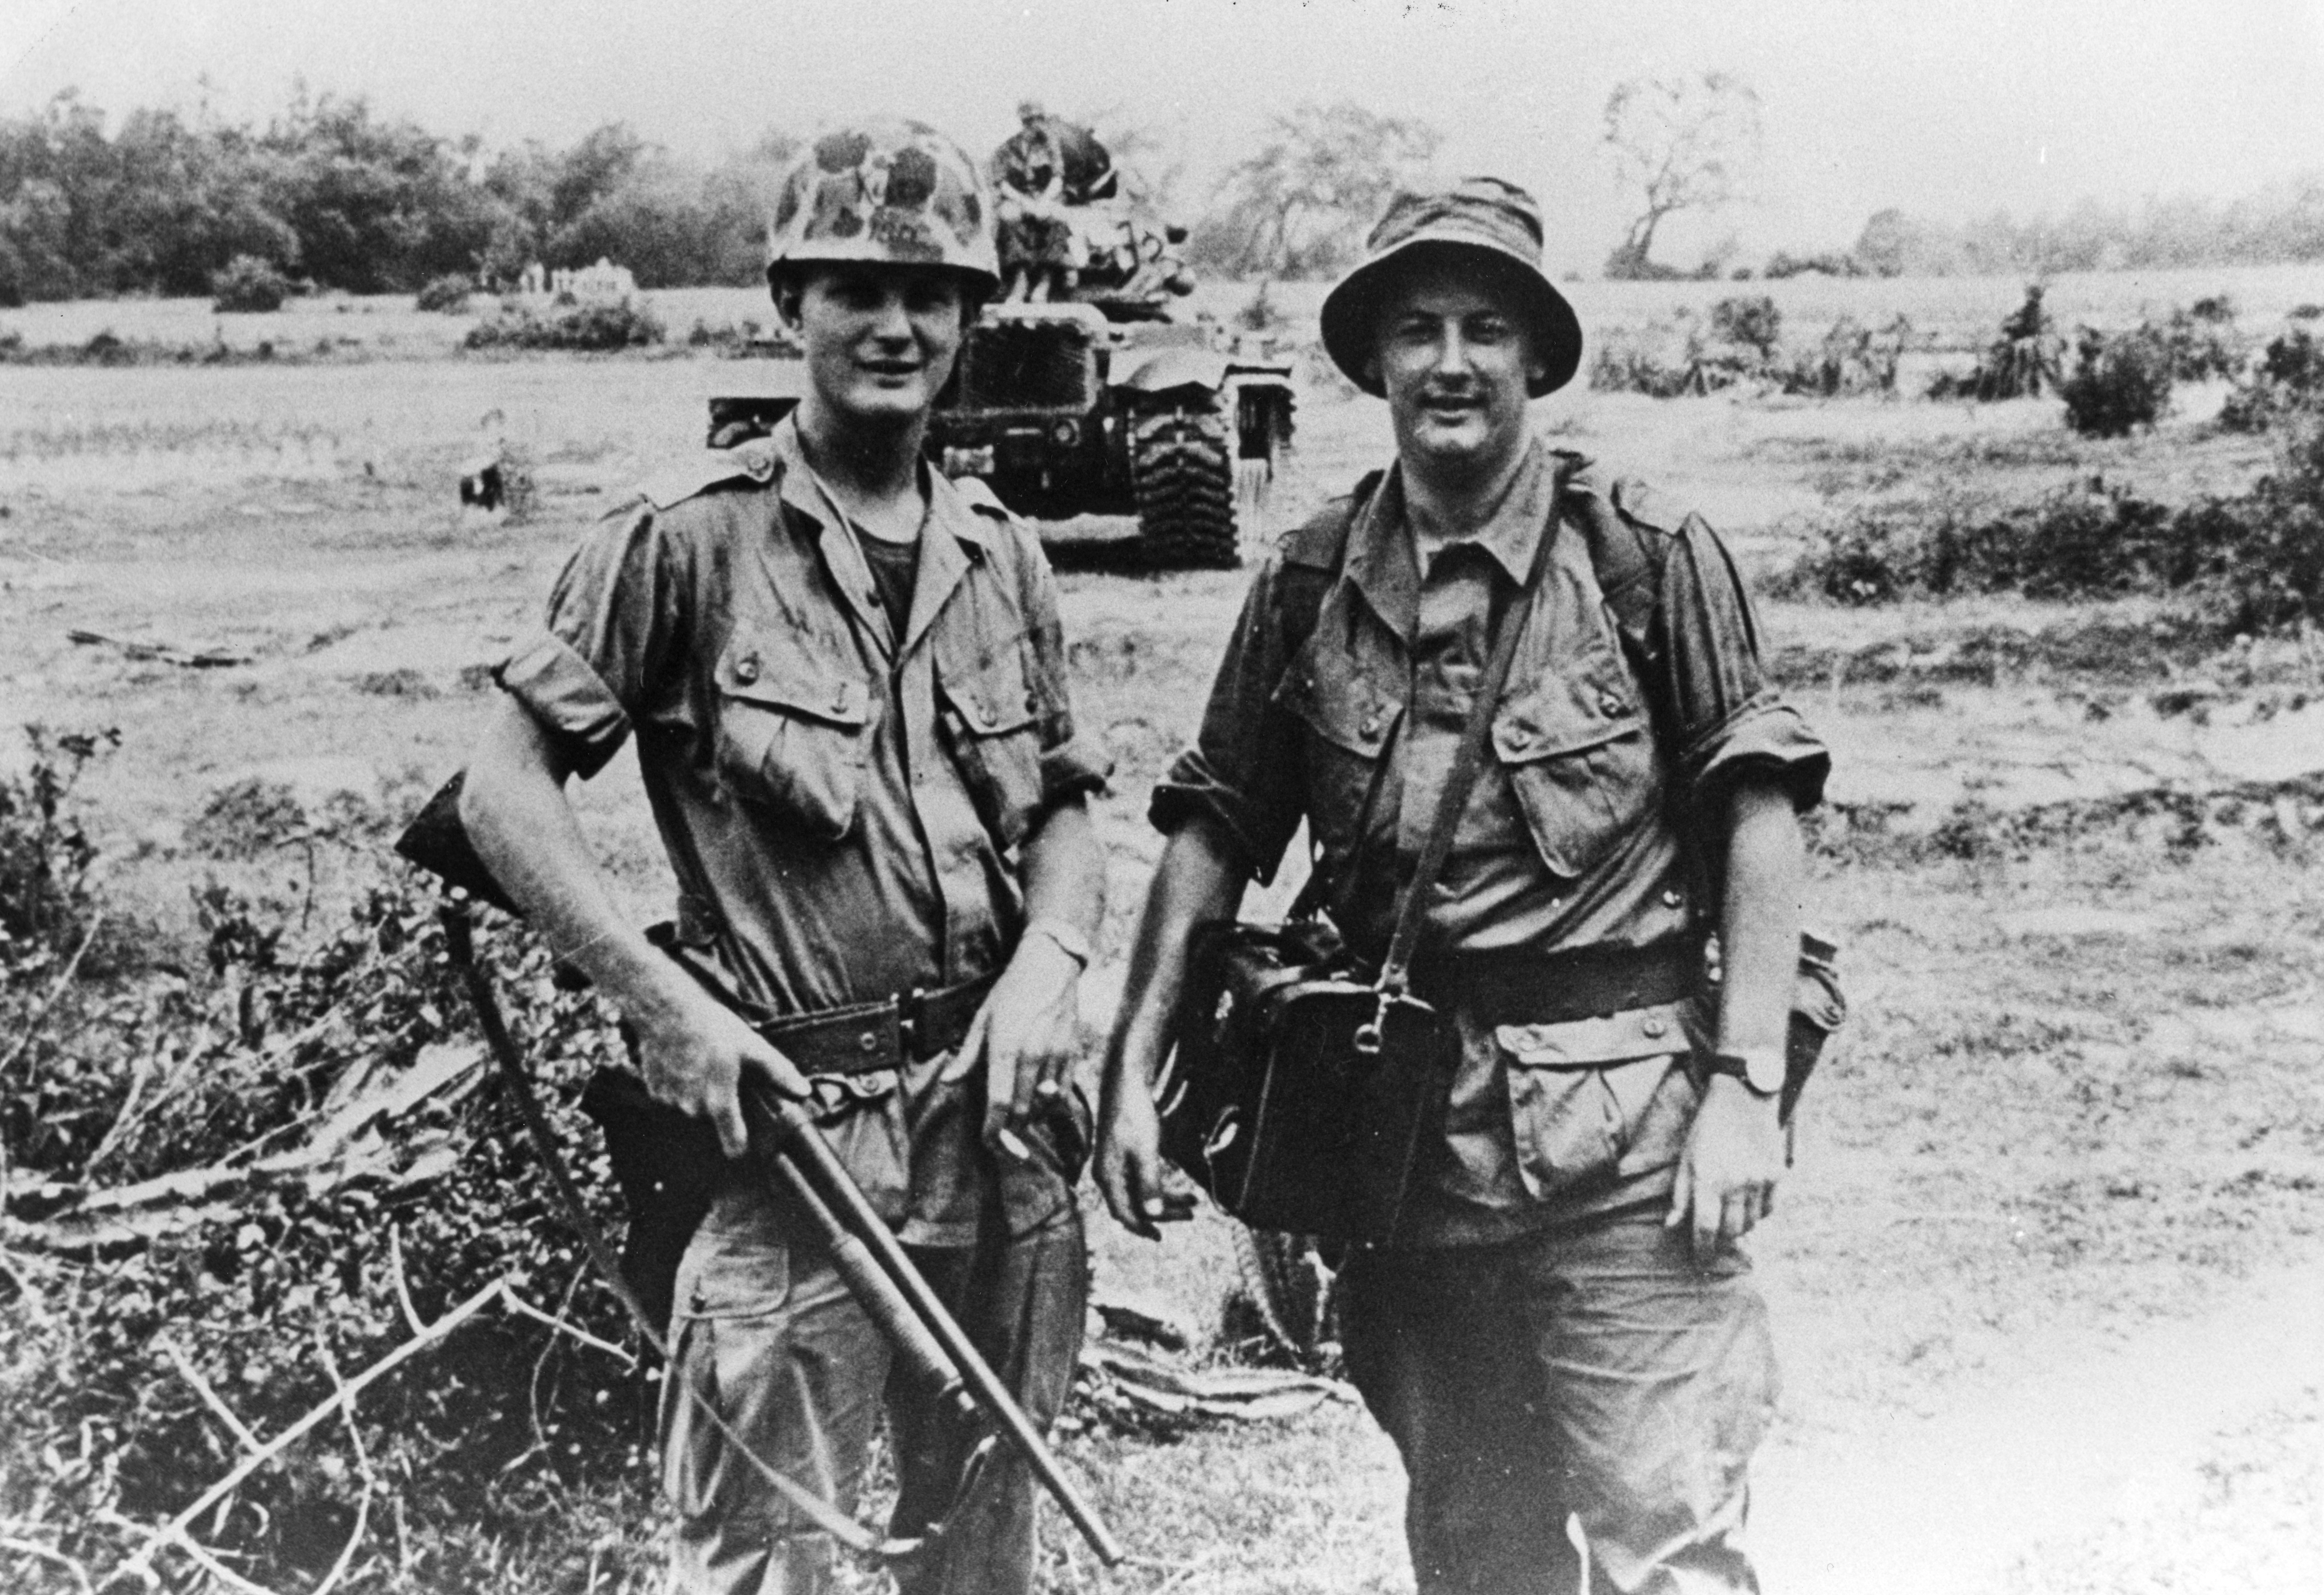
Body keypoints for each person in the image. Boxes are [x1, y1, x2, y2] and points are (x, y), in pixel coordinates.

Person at [1098, 176, 1830, 1594]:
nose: (1449, 362)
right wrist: (1134, 1066)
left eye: (1484, 328)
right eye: (1415, 327)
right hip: (1400, 1151)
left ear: (1534, 356)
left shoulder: (1643, 555)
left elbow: (1759, 812)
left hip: (1629, 1149)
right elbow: (1211, 829)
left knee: (1664, 1540)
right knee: (1476, 1548)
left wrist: (1743, 1091)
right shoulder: (1308, 578)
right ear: (1371, 354)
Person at [458, 117, 1108, 1595]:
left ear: (972, 315)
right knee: (770, 1562)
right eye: (854, 290)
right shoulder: (683, 543)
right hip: (796, 1140)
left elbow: (1067, 802)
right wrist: (661, 1005)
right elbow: (502, 790)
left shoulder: (1000, 550)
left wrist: (1048, 976)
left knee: (985, 1549)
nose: (893, 326)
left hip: (993, 1132)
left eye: (930, 293)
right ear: (788, 305)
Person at [990, 100, 1116, 302]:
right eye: (1030, 120)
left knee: (1057, 218)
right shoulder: (1008, 148)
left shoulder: (1051, 147)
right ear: (1023, 122)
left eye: (1039, 119)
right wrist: (1025, 202)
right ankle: (1020, 280)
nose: (1035, 125)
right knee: (1008, 216)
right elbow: (1001, 182)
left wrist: (1043, 203)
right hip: (1019, 198)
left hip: (1046, 197)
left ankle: (1045, 280)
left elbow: (1058, 179)